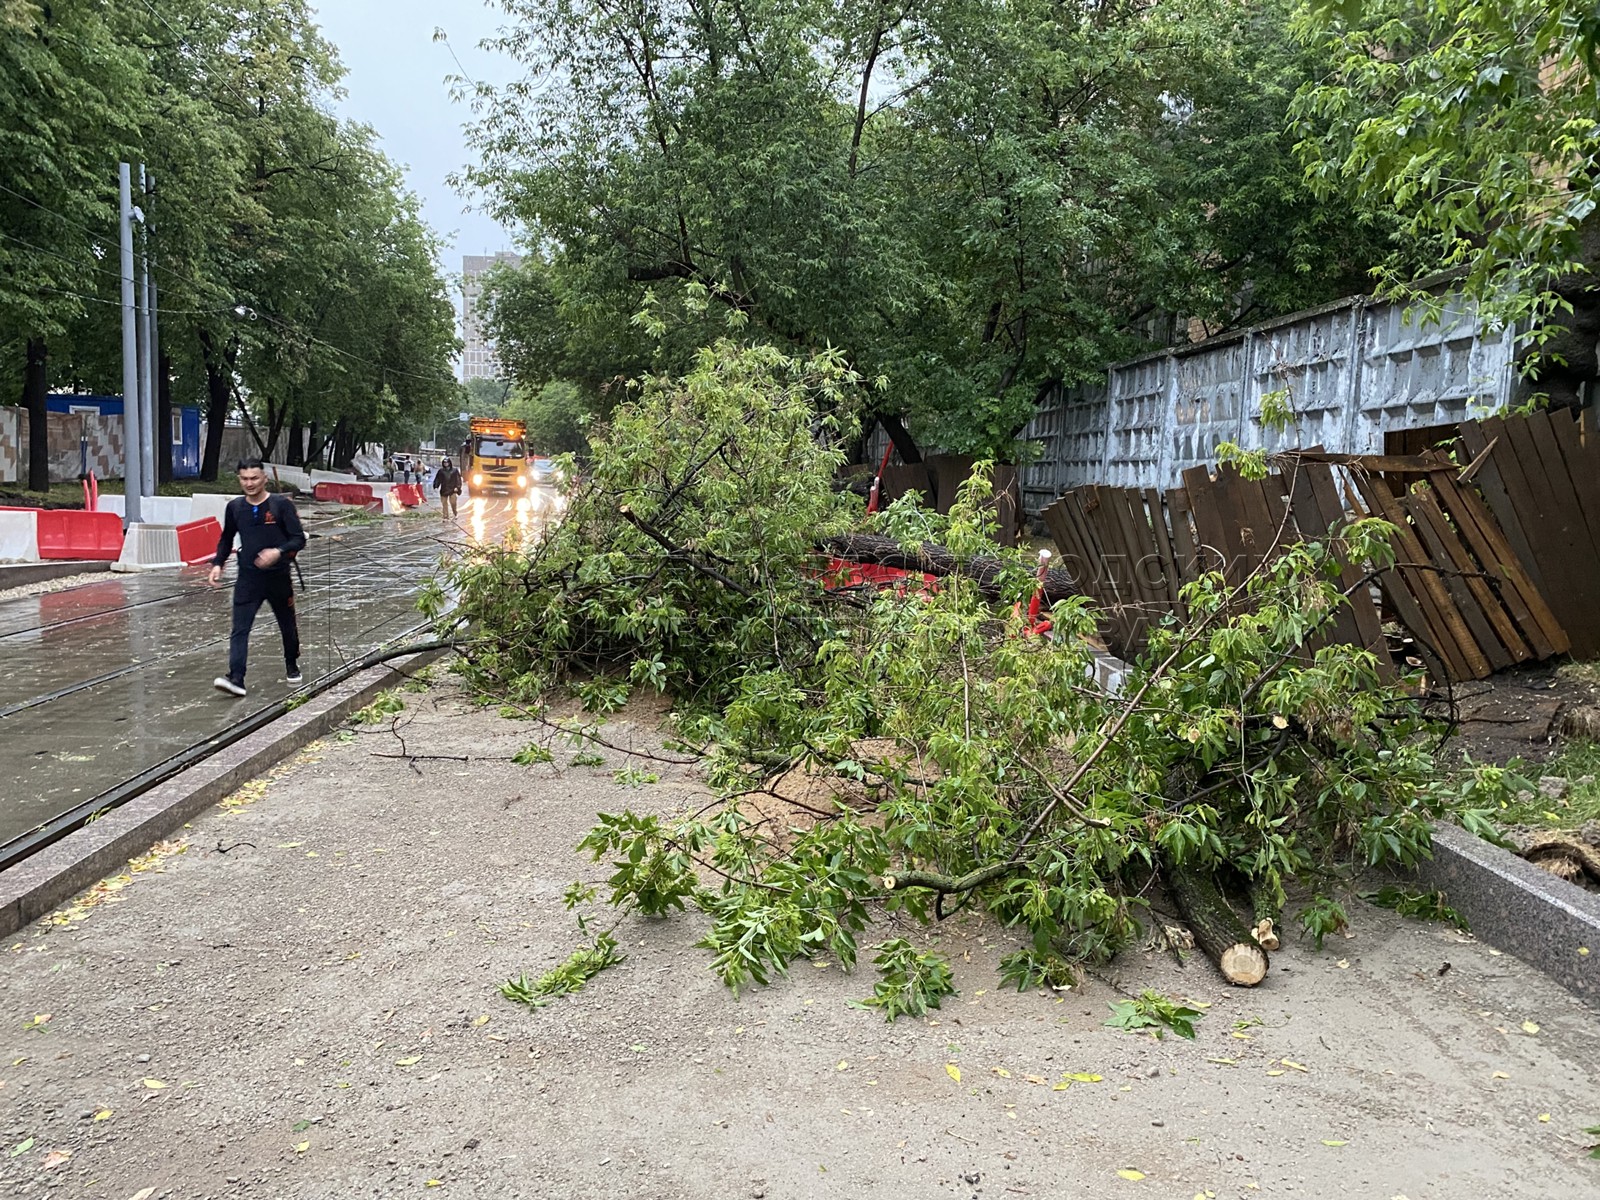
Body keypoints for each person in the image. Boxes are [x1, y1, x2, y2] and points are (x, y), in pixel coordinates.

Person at [208, 459, 307, 696]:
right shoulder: (235, 507)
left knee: (287, 625)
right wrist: (218, 563)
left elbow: (298, 538)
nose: (249, 483)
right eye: (244, 479)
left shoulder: (281, 505)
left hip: (278, 578)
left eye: (254, 478)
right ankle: (236, 678)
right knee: (239, 629)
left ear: (264, 478)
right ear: (239, 480)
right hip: (248, 578)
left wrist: (278, 552)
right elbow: (227, 537)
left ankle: (292, 664)